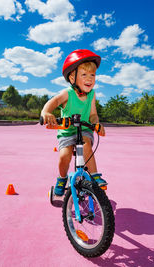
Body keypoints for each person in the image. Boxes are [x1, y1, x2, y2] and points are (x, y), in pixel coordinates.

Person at [41, 49, 107, 196]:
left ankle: (95, 175)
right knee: (65, 155)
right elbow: (53, 102)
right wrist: (46, 112)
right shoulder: (68, 93)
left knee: (86, 144)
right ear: (72, 78)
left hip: (83, 129)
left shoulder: (92, 95)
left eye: (93, 75)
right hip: (66, 131)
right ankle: (62, 178)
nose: (90, 78)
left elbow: (93, 114)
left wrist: (97, 124)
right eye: (84, 75)